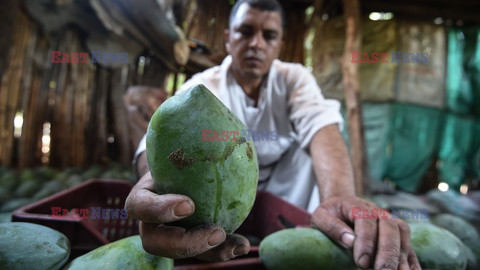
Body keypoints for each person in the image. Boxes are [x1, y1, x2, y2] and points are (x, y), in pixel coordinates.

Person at [125, 0, 421, 269]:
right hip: (218, 215)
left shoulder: (293, 79)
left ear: (279, 44)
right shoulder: (202, 88)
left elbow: (322, 128)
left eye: (269, 35)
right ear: (228, 38)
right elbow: (161, 137)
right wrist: (157, 184)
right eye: (245, 31)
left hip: (286, 203)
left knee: (306, 151)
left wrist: (341, 196)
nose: (256, 43)